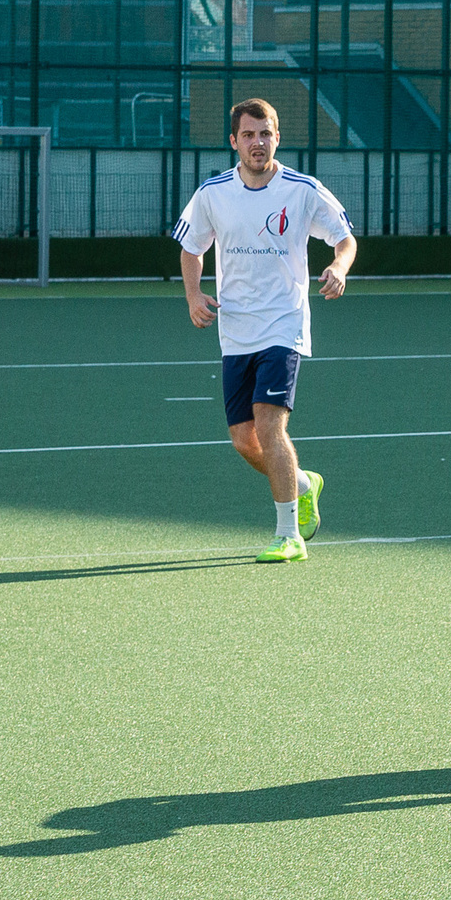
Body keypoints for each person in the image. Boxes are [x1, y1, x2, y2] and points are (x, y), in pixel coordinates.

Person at [176, 99, 357, 561]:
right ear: (234, 141)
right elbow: (192, 247)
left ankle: (288, 535)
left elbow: (345, 238)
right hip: (235, 330)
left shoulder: (302, 189)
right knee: (244, 440)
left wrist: (339, 265)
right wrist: (194, 295)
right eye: (250, 135)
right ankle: (302, 483)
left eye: (267, 133)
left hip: (283, 324)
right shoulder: (213, 193)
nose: (258, 142)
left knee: (269, 424)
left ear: (278, 137)